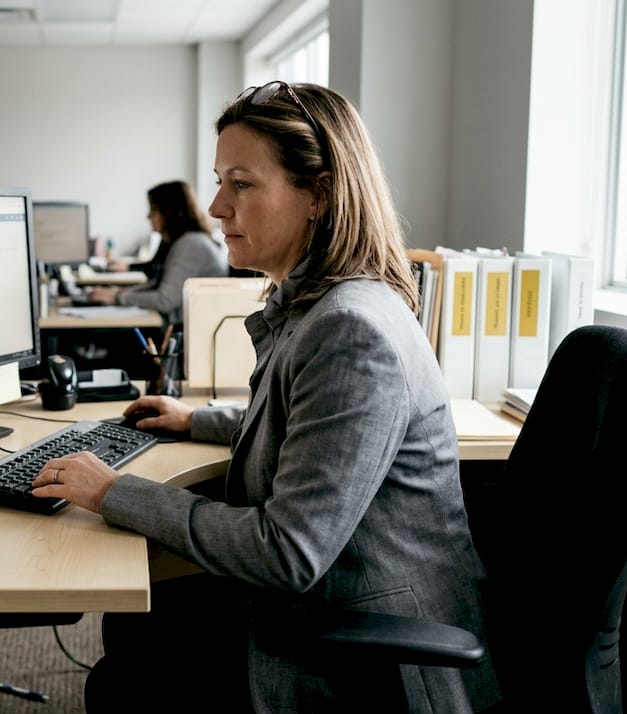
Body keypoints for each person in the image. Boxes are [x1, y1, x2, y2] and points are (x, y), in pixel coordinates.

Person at [31, 82, 500, 712]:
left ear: (320, 195)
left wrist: (115, 492)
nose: (217, 206)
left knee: (125, 680)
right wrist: (195, 419)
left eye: (242, 184)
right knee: (137, 621)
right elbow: (307, 427)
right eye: (218, 182)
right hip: (340, 597)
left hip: (375, 657)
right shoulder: (323, 304)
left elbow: (287, 552)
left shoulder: (350, 330)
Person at [86, 180, 227, 325]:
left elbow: (165, 300)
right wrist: (120, 294)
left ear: (169, 212)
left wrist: (119, 297)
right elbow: (158, 284)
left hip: (181, 329)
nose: (148, 216)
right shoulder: (179, 241)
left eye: (153, 210)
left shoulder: (191, 245)